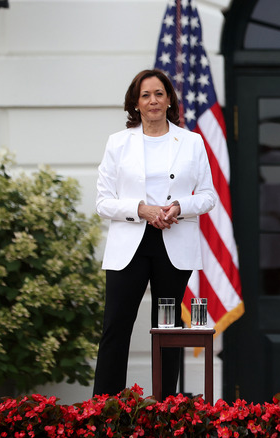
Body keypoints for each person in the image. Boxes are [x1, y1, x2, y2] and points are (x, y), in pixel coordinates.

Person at [93, 69, 216, 398]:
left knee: (169, 329)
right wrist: (142, 210)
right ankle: (104, 408)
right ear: (135, 102)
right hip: (130, 243)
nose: (153, 101)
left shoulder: (192, 142)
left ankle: (166, 408)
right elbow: (103, 202)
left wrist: (178, 205)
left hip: (173, 243)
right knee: (116, 325)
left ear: (169, 100)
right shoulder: (118, 143)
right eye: (146, 95)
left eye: (159, 94)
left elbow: (207, 196)